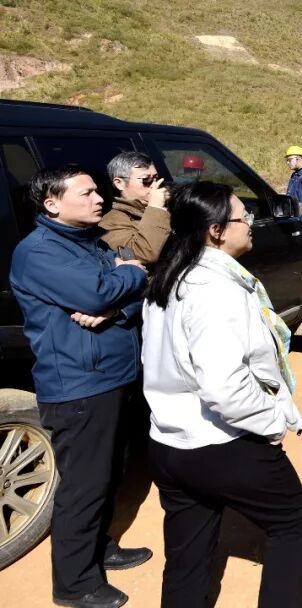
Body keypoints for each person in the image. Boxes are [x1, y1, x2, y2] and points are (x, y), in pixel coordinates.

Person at [142, 181, 302, 608]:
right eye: (242, 216)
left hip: (168, 442)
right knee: (290, 521)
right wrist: (273, 423)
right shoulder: (215, 290)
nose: (250, 223)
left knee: (187, 555)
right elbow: (224, 387)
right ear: (215, 231)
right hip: (220, 442)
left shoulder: (169, 277)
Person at [9, 166, 152, 608]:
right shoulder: (38, 252)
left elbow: (127, 296)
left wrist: (120, 300)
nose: (99, 199)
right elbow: (97, 294)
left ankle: (99, 548)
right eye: (86, 193)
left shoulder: (91, 242)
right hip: (79, 385)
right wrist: (130, 274)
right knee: (84, 486)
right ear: (52, 204)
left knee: (111, 473)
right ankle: (74, 584)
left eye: (96, 191)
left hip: (115, 376)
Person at [100, 151, 170, 264]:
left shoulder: (165, 207)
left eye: (155, 178)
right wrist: (155, 208)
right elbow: (141, 254)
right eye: (146, 180)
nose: (154, 185)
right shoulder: (110, 223)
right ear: (119, 183)